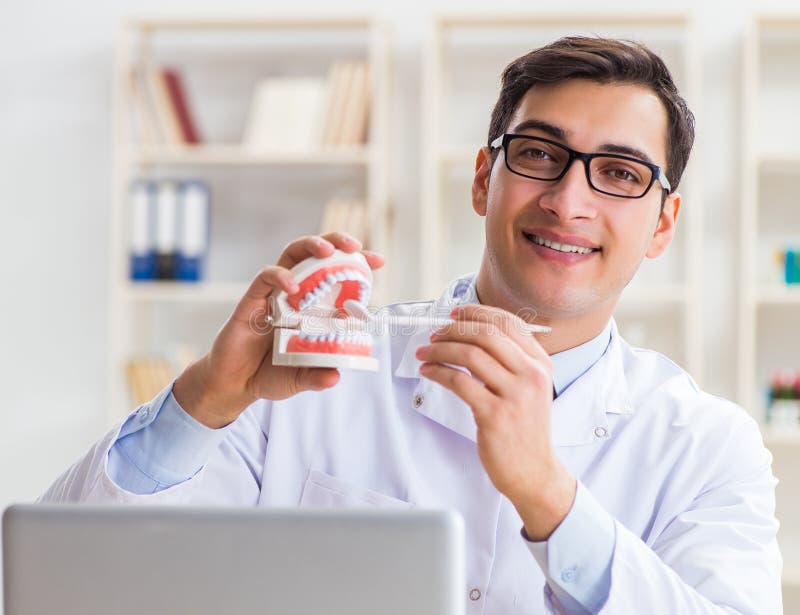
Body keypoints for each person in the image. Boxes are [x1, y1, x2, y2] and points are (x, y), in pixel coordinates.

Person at [41, 36, 781, 613]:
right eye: (538, 154)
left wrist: (550, 497)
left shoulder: (706, 445)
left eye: (619, 173)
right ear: (484, 179)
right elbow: (63, 582)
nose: (568, 200)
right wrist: (204, 399)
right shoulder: (309, 376)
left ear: (663, 224)